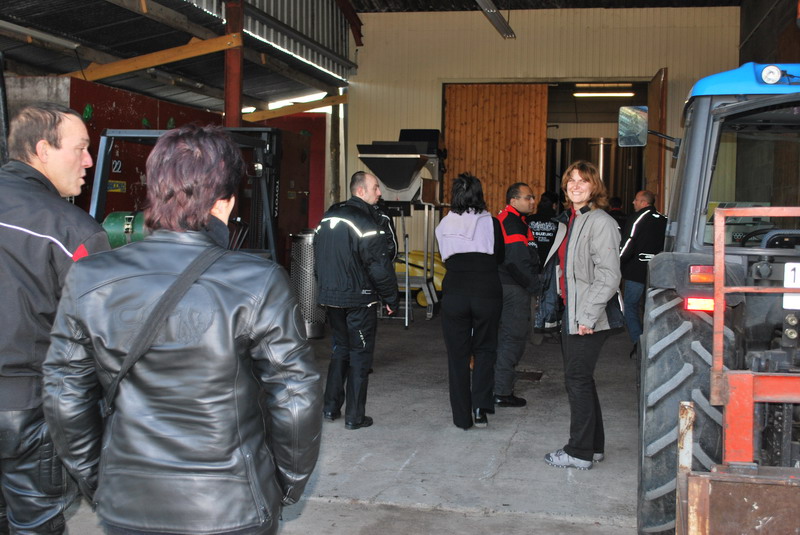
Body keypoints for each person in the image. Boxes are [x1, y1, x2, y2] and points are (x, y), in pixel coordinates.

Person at [42, 124, 322, 535]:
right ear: (225, 202)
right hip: (230, 506)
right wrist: (284, 485)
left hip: (129, 502)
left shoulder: (90, 278)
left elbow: (64, 394)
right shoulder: (258, 281)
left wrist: (100, 480)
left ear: (155, 192)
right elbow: (295, 397)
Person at [0, 103, 111, 534]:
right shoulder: (72, 230)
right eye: (80, 148)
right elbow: (103, 338)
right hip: (28, 411)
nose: (89, 161)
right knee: (35, 523)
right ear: (43, 150)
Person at [544, 160, 622, 470]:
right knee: (582, 379)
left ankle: (578, 452)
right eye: (571, 180)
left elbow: (608, 275)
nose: (576, 185)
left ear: (594, 186)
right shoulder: (573, 219)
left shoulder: (600, 222)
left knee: (576, 380)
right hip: (573, 311)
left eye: (583, 180)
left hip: (588, 315)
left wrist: (587, 317)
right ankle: (594, 447)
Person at [314, 171, 399, 430]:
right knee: (360, 357)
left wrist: (326, 289)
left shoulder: (329, 215)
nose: (379, 193)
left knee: (340, 350)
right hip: (358, 300)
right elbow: (378, 265)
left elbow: (318, 257)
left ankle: (330, 408)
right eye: (376, 187)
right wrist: (391, 297)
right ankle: (354, 417)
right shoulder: (365, 220)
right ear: (361, 191)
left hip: (332, 298)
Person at [435, 173, 504, 429]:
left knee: (457, 354)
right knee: (485, 350)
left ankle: (462, 418)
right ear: (480, 195)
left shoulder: (444, 224)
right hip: (486, 290)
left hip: (455, 291)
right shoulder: (493, 223)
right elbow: (500, 256)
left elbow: (444, 256)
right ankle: (480, 409)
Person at [494, 182, 540, 408]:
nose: (532, 201)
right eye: (527, 197)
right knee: (512, 339)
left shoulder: (513, 220)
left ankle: (497, 387)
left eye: (533, 197)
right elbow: (516, 261)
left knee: (505, 338)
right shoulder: (512, 222)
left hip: (506, 285)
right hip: (513, 287)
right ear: (513, 201)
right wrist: (534, 286)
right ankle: (502, 392)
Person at [619, 190, 667, 351]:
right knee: (651, 307)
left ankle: (638, 342)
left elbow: (628, 242)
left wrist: (618, 260)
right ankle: (653, 341)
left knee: (630, 306)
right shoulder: (664, 219)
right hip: (657, 271)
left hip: (636, 270)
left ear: (644, 203)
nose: (633, 202)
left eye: (636, 200)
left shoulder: (637, 218)